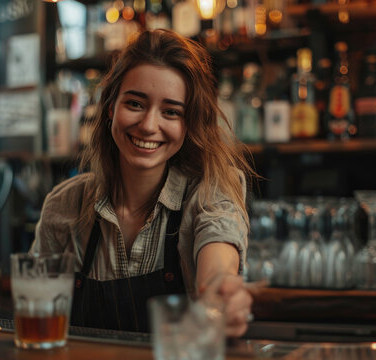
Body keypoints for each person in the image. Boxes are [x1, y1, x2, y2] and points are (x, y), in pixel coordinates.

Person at [30, 29, 257, 337]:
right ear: (111, 107)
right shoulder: (65, 204)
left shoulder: (210, 190)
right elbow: (36, 310)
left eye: (171, 112)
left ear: (188, 124)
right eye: (135, 104)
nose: (149, 125)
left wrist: (220, 292)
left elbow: (217, 266)